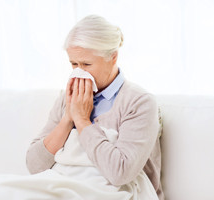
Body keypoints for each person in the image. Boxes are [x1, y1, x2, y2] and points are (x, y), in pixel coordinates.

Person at [26, 15, 165, 200]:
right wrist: (68, 118)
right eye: (73, 64)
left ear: (113, 57)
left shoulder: (139, 102)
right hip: (63, 188)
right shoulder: (67, 97)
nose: (79, 72)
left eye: (86, 64)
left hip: (113, 192)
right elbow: (34, 166)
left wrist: (82, 121)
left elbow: (120, 173)